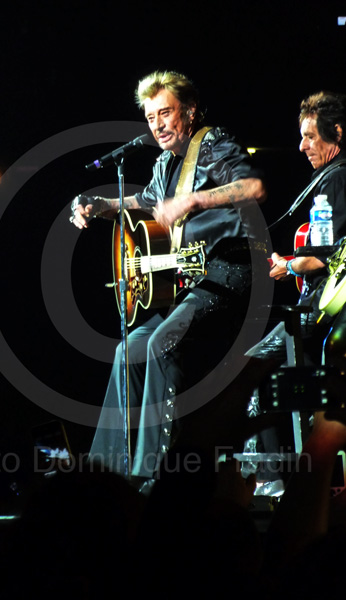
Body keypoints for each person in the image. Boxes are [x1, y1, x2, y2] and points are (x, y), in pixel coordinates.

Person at [70, 70, 267, 481]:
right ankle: (108, 475)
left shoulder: (211, 143)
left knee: (161, 344)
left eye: (166, 113)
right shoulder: (165, 163)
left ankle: (155, 474)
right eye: (149, 117)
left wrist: (194, 200)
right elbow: (144, 201)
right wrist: (99, 205)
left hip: (229, 273)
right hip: (190, 284)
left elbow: (252, 186)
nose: (157, 124)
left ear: (190, 111)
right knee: (128, 351)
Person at [242, 91, 346, 493]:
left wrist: (287, 264)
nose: (302, 146)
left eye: (309, 137)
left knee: (250, 370)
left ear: (336, 132)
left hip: (320, 310)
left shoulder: (336, 178)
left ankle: (269, 482)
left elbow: (323, 257)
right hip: (323, 311)